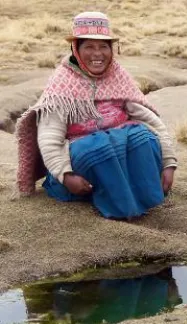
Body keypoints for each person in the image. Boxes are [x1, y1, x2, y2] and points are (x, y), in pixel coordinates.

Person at [14, 12, 177, 220]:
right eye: (89, 46)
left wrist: (169, 163)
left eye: (103, 46)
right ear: (76, 49)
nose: (97, 54)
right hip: (83, 160)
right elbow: (49, 140)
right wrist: (66, 176)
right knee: (99, 146)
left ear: (112, 49)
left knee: (143, 137)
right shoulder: (61, 85)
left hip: (119, 154)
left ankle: (147, 196)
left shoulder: (117, 75)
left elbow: (153, 122)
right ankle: (121, 207)